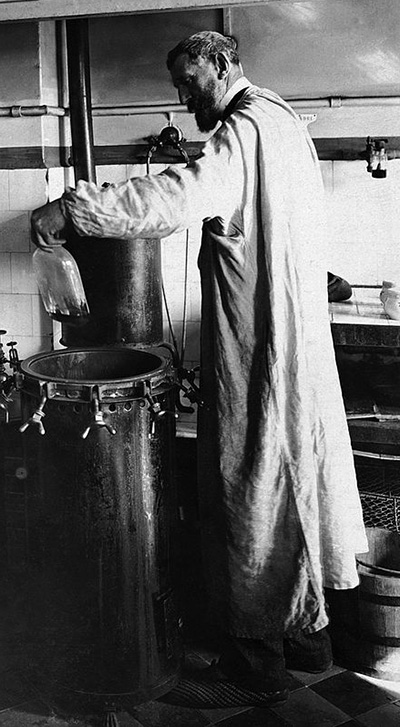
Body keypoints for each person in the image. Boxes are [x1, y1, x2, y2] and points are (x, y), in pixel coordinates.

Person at [30, 31, 367, 708]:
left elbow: (174, 199)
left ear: (223, 64)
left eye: (191, 81)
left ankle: (255, 659)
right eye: (179, 86)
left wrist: (74, 208)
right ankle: (309, 637)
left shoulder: (244, 131)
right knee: (297, 478)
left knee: (252, 482)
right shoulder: (283, 123)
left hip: (260, 345)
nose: (185, 97)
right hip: (295, 338)